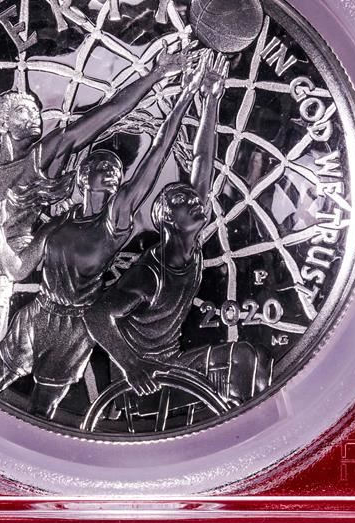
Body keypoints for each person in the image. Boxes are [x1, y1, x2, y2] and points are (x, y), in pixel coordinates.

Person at [0, 38, 190, 377]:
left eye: (35, 109)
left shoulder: (40, 162)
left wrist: (156, 74)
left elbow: (108, 113)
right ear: (1, 125)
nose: (36, 115)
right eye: (24, 111)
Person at [0, 53, 208, 419]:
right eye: (101, 165)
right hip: (37, 313)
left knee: (41, 415)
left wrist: (185, 96)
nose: (111, 171)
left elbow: (156, 154)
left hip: (75, 327)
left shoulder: (114, 221)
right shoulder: (58, 224)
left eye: (116, 169)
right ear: (83, 177)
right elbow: (18, 269)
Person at [84, 53, 270, 412]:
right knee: (242, 363)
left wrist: (211, 100)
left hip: (173, 366)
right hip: (145, 383)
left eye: (193, 199)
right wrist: (131, 365)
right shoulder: (150, 273)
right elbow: (96, 315)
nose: (197, 202)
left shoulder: (189, 246)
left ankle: (250, 429)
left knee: (255, 363)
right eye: (184, 201)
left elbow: (201, 163)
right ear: (168, 219)